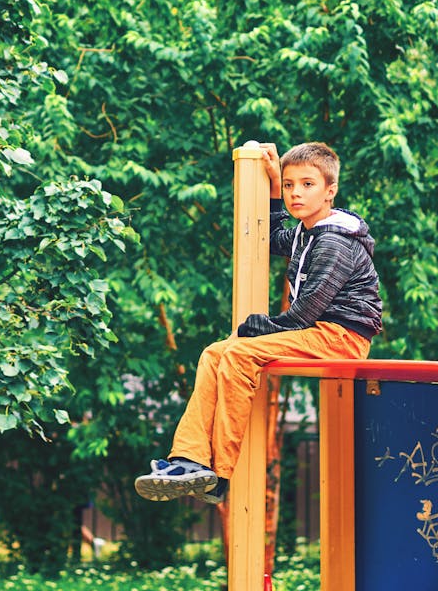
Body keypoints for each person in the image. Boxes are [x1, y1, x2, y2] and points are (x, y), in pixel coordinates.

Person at [134, 141, 382, 506]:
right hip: (316, 332)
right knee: (215, 353)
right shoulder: (306, 231)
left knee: (237, 353)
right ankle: (189, 458)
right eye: (288, 184)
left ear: (330, 191)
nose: (296, 192)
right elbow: (272, 235)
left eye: (307, 184)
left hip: (341, 336)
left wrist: (259, 327)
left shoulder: (335, 240)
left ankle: (218, 476)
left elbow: (304, 314)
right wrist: (269, 186)